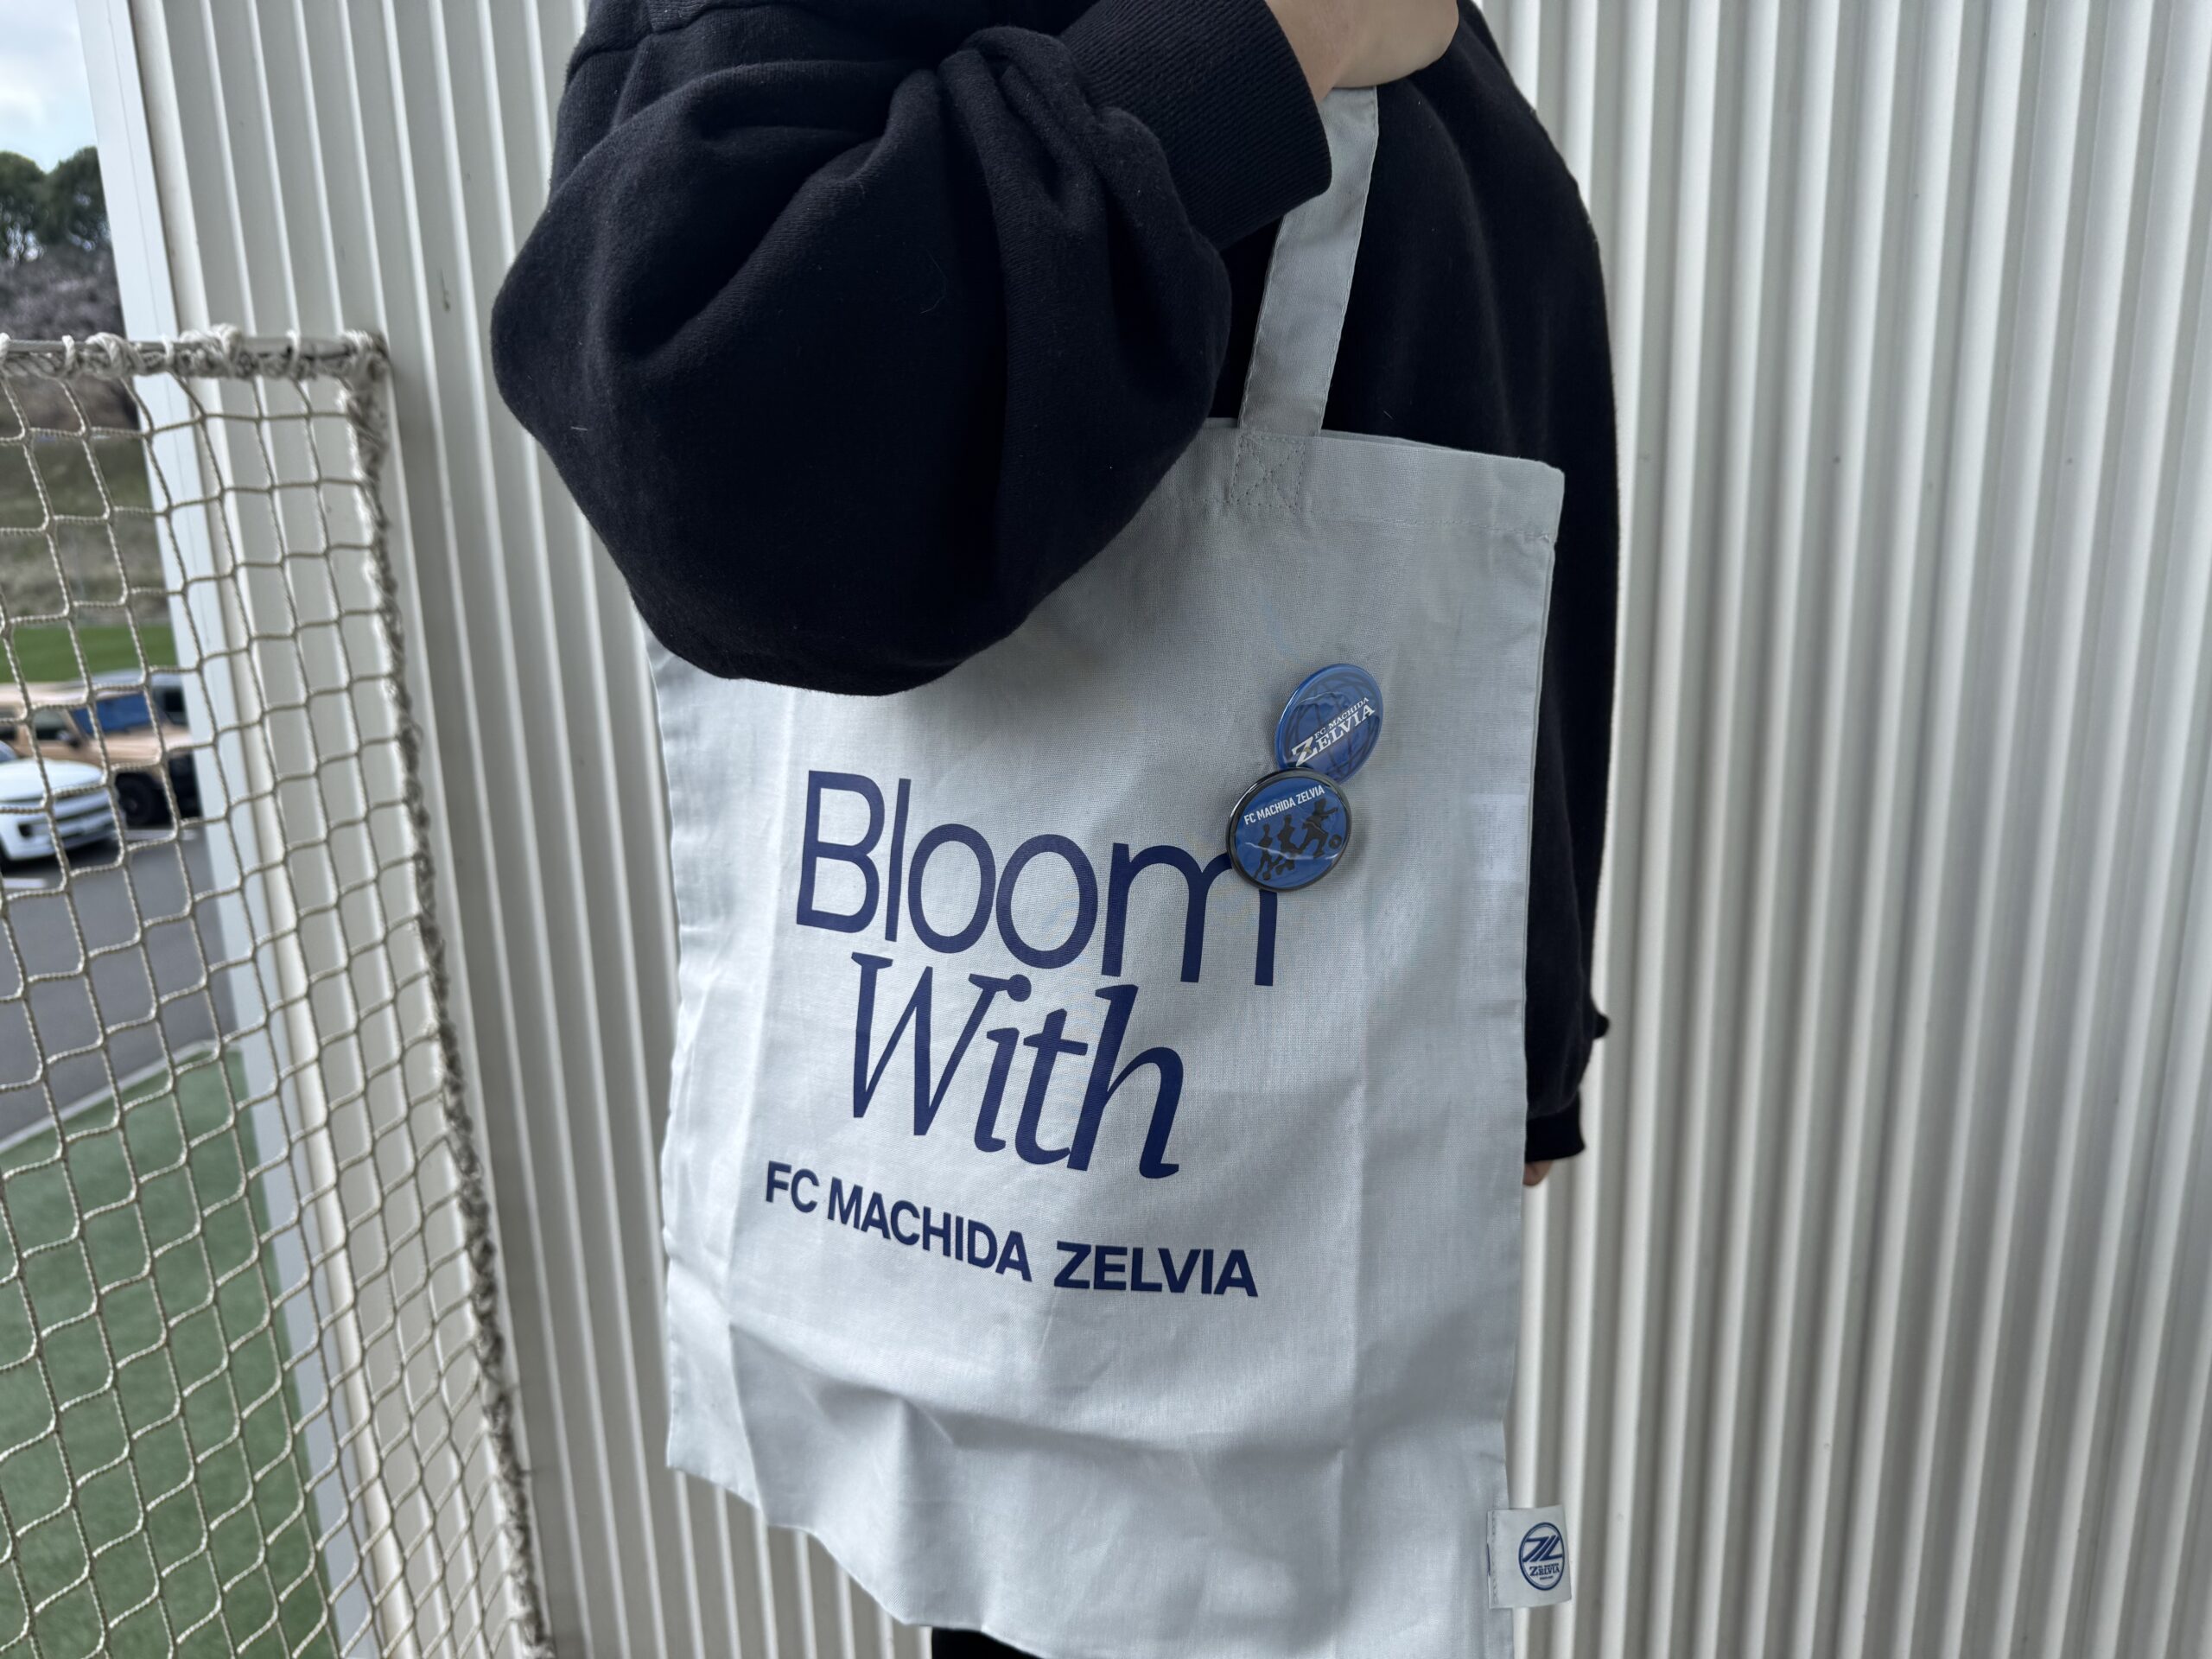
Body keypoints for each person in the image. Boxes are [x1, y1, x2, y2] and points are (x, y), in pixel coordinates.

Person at [493, 0, 1618, 1649]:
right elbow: (709, 424)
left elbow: (1498, 508)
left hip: (1357, 1126)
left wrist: (1525, 1042)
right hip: (1080, 1203)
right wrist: (1266, 39)